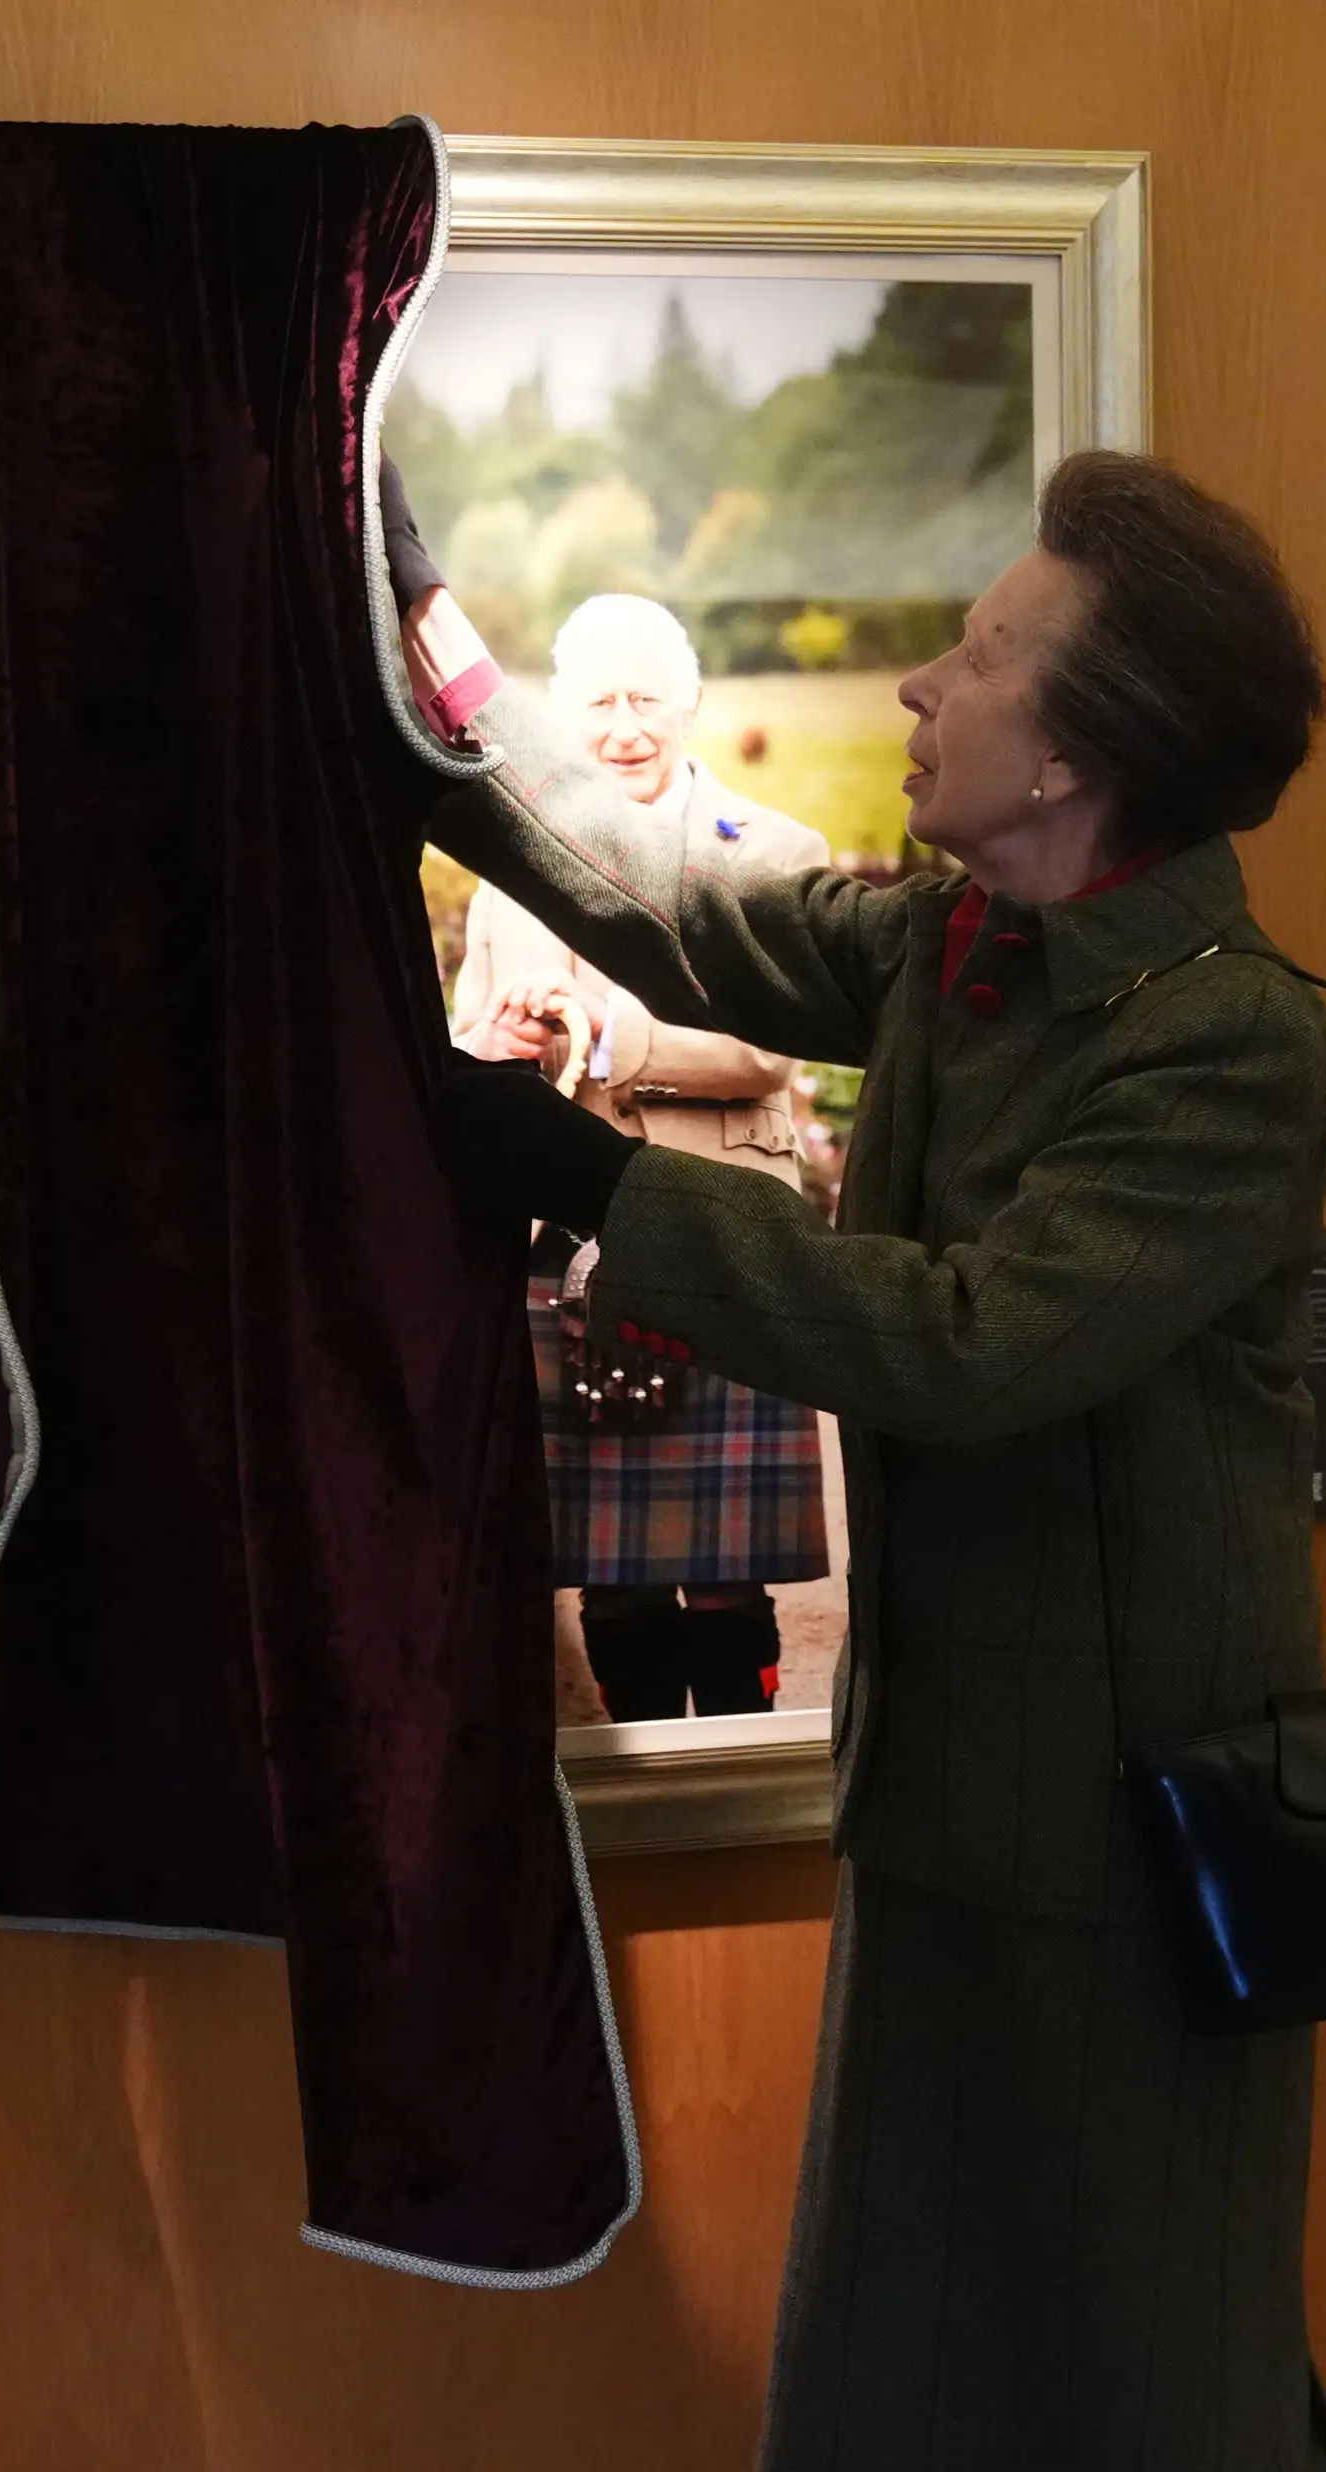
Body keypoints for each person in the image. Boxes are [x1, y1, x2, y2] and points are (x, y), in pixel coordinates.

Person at [395, 451, 1326, 2472]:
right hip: (963, 1814)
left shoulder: (1226, 1044)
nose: (922, 688)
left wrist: (595, 1185)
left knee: (1137, 2395)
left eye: (981, 654)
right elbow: (666, 889)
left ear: (1082, 755)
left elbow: (970, 1342)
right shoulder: (963, 940)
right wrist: (442, 677)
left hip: (1130, 1862)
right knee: (914, 2392)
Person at [442, 590, 833, 1720]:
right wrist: (497, 1037)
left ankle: (739, 1754)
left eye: (644, 699)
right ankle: (648, 1770)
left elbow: (769, 1049)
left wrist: (609, 1033)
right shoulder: (513, 869)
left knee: (720, 1573)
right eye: (598, 702)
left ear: (690, 705)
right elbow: (469, 1051)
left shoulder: (770, 852)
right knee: (605, 1578)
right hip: (569, 1252)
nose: (622, 726)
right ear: (562, 717)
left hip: (720, 1231)